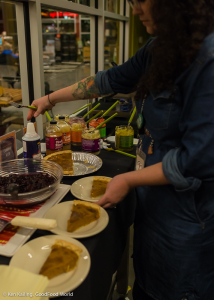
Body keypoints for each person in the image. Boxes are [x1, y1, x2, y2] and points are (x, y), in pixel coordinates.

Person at [27, 0, 214, 299]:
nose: (135, 10)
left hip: (190, 216)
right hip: (155, 203)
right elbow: (108, 81)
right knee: (147, 283)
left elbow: (196, 160)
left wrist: (128, 179)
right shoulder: (160, 48)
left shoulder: (208, 60)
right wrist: (50, 99)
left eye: (141, 1)